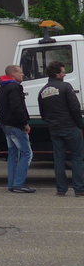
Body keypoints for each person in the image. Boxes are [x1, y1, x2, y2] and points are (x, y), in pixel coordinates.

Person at [36, 61, 84, 196]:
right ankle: (79, 189)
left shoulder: (43, 90)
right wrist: (80, 124)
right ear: (57, 74)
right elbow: (75, 108)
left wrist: (51, 122)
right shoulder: (66, 87)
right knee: (78, 157)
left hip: (54, 129)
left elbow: (43, 112)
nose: (65, 74)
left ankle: (61, 189)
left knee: (58, 158)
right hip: (70, 127)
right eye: (63, 71)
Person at [0, 65, 35, 193]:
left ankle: (12, 183)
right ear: (13, 74)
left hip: (6, 125)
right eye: (20, 72)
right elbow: (17, 107)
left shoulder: (2, 88)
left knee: (13, 154)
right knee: (26, 153)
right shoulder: (15, 87)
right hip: (16, 125)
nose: (23, 74)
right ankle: (19, 184)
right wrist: (25, 123)